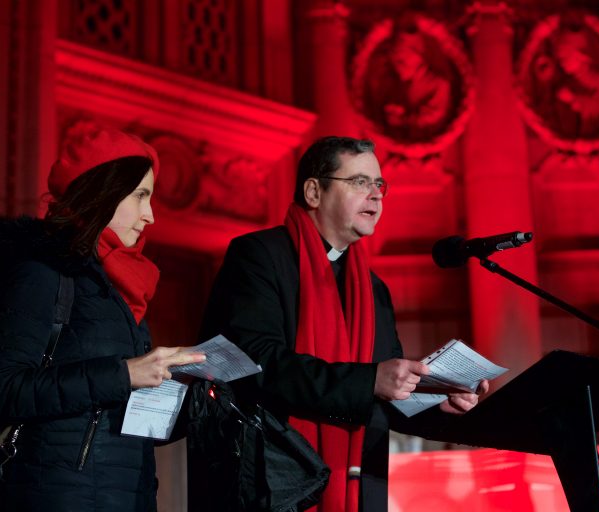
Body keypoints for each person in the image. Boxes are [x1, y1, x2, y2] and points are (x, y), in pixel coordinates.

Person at [192, 136, 489, 511]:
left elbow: (383, 393)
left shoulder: (374, 288)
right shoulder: (259, 256)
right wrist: (370, 381)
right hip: (270, 481)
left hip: (356, 487)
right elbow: (255, 363)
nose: (377, 195)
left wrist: (436, 400)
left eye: (379, 184)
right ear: (314, 191)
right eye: (360, 182)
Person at [0, 127, 205, 511]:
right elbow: (3, 390)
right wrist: (124, 373)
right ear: (102, 192)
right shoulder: (41, 273)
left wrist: (197, 406)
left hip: (129, 496)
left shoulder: (124, 289)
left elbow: (117, 421)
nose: (150, 215)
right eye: (141, 196)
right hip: (58, 497)